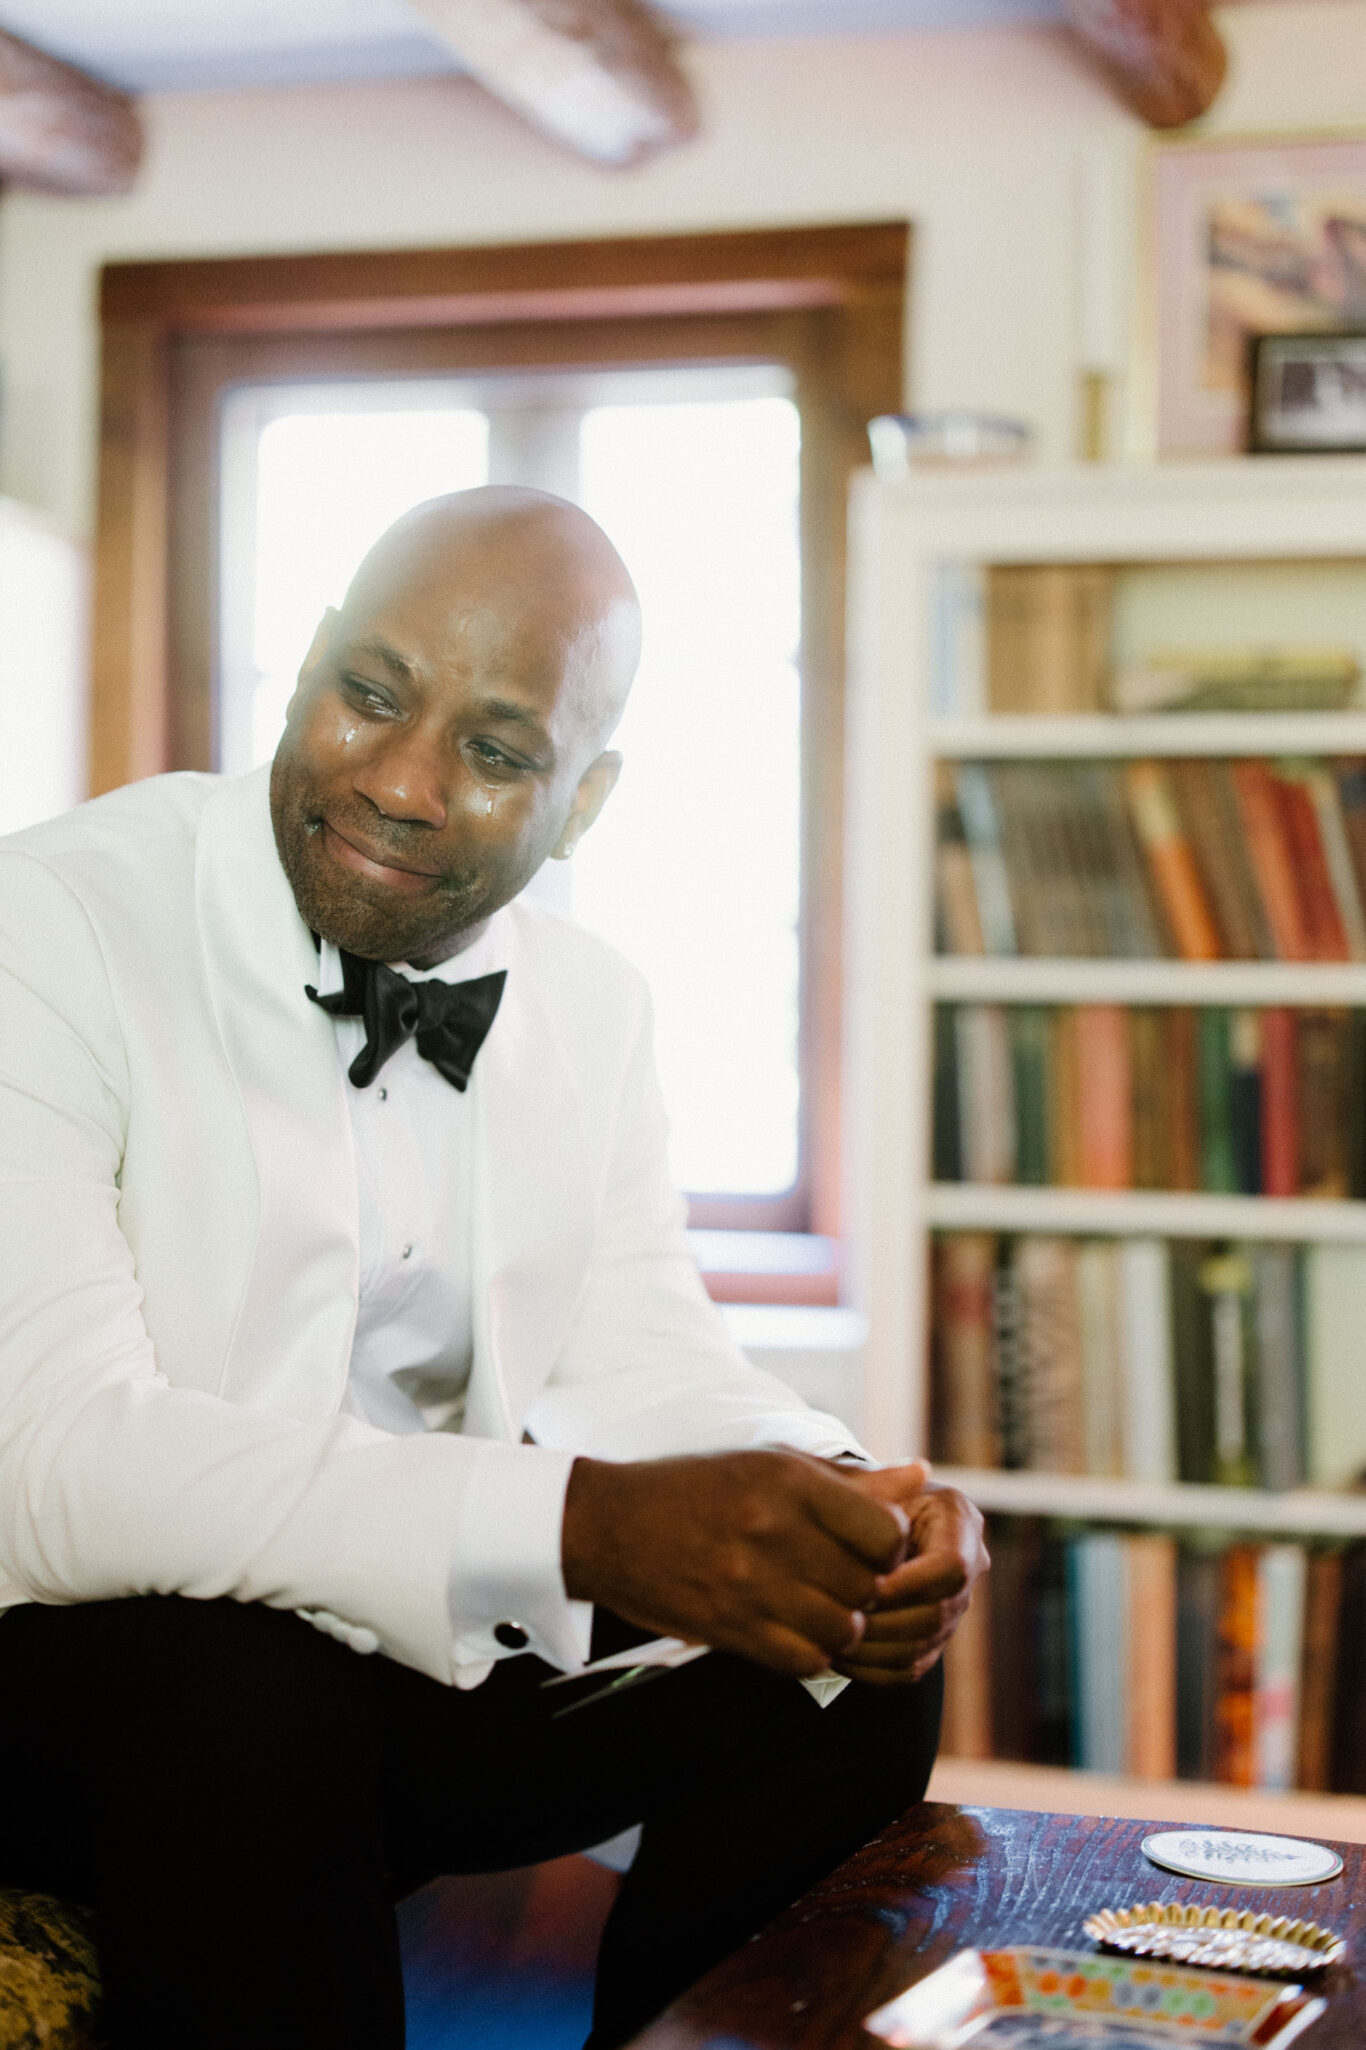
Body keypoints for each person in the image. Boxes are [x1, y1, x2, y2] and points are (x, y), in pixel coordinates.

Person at [0, 486, 987, 2050]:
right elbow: (52, 1465)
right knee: (245, 1688)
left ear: (583, 799)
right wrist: (584, 1522)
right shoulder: (44, 923)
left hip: (380, 1679)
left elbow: (645, 1352)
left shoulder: (591, 1006)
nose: (398, 780)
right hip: (63, 1682)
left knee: (846, 1652)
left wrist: (854, 1495)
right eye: (371, 694)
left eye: (497, 748)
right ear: (309, 661)